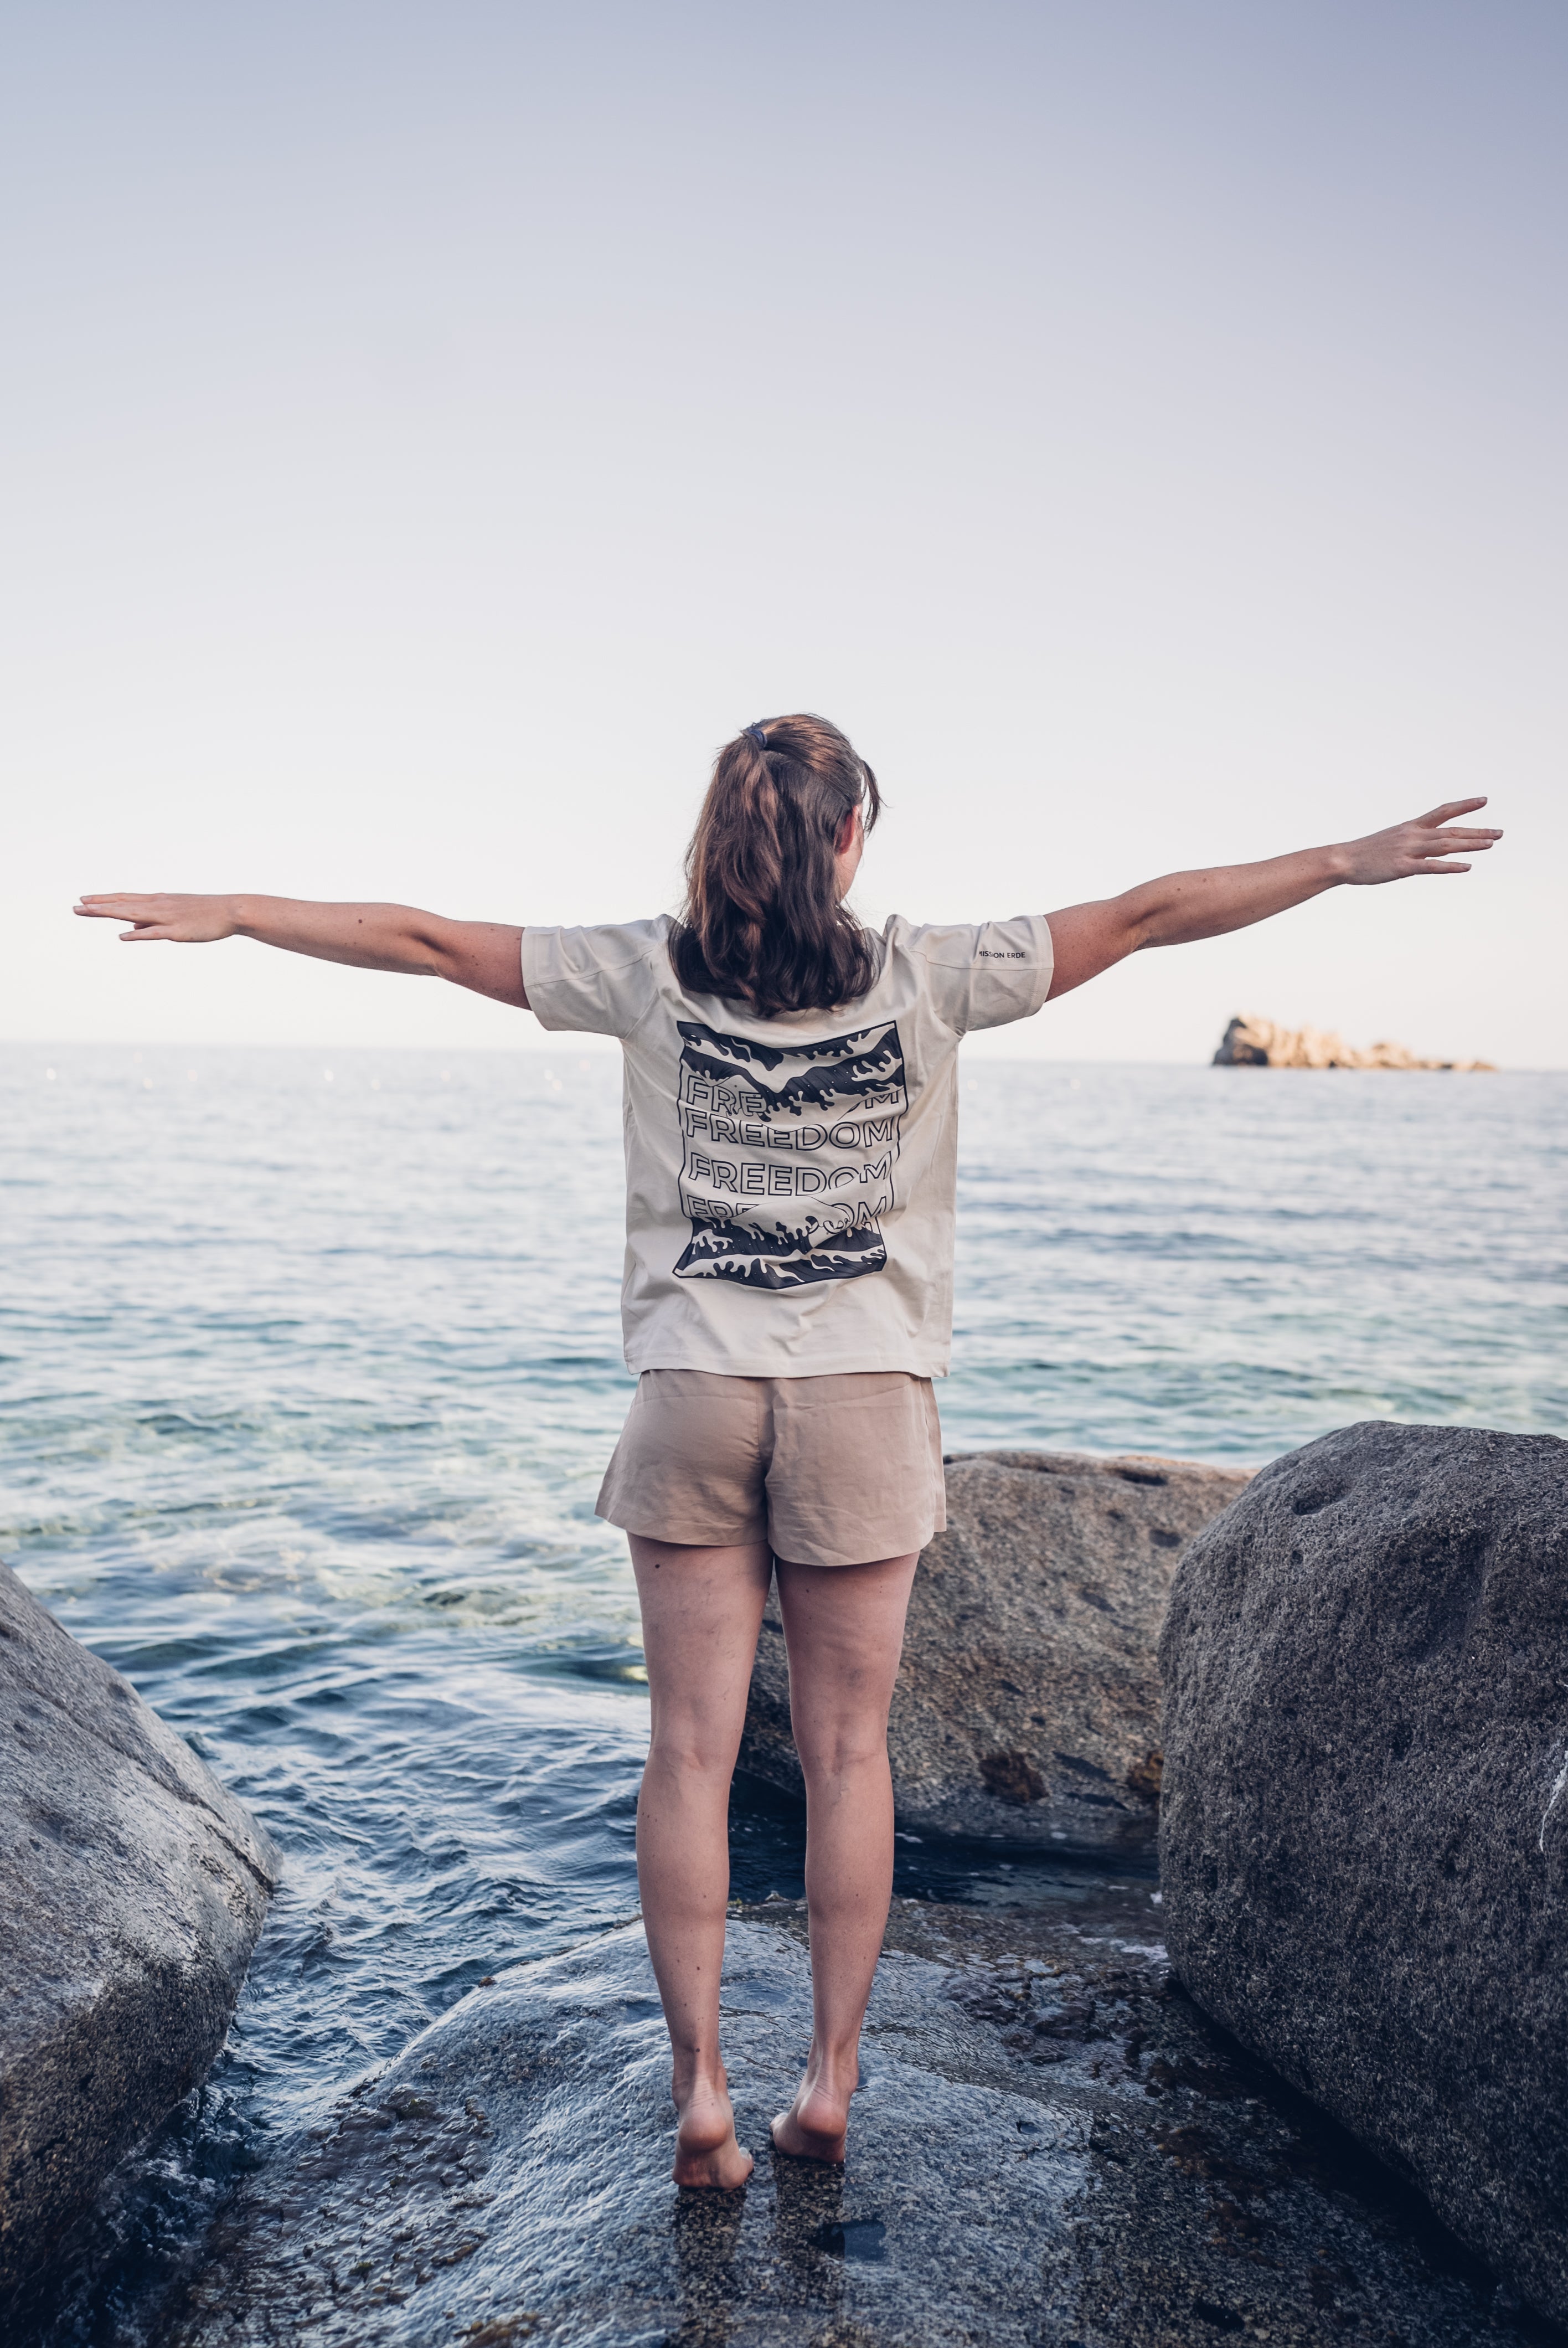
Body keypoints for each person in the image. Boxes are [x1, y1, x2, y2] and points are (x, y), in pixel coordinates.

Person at [75, 715, 1500, 2190]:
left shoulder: (640, 968)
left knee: (689, 1753)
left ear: (719, 840)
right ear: (846, 842)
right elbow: (1146, 915)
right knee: (847, 1755)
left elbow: (430, 941)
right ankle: (826, 2082)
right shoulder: (935, 974)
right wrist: (1345, 861)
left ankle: (700, 2095)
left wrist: (241, 911)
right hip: (866, 1402)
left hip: (695, 1388)